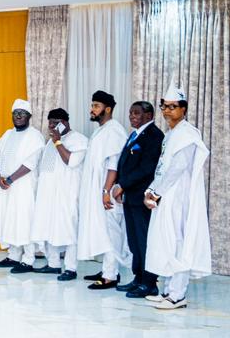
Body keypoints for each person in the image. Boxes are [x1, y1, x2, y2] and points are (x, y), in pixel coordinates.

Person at [142, 87, 211, 311]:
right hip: (166, 195)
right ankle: (168, 291)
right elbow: (162, 168)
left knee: (179, 242)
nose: (167, 111)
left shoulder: (188, 134)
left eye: (173, 107)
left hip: (178, 197)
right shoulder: (171, 134)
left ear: (184, 109)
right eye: (164, 106)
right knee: (166, 241)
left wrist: (157, 193)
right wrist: (151, 190)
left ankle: (177, 294)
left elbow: (179, 168)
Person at [78, 91, 131, 290]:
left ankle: (110, 276)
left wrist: (106, 191)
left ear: (107, 109)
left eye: (96, 106)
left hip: (107, 193)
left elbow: (113, 165)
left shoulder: (114, 131)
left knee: (110, 234)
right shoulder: (101, 130)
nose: (92, 109)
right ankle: (106, 270)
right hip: (99, 191)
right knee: (102, 230)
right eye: (92, 105)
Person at [112, 102, 164, 298]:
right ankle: (138, 278)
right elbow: (125, 163)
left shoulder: (154, 136)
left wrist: (122, 184)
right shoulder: (135, 134)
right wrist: (120, 185)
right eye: (130, 113)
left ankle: (149, 283)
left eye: (136, 113)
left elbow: (147, 168)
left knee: (144, 241)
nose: (132, 116)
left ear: (149, 115)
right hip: (130, 196)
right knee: (134, 241)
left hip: (142, 197)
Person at [29, 109, 88, 279]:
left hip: (67, 194)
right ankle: (53, 264)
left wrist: (58, 142)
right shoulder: (50, 141)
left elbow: (71, 161)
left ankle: (71, 268)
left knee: (69, 229)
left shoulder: (79, 139)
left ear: (65, 122)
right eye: (50, 123)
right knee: (49, 227)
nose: (52, 126)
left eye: (56, 122)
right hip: (47, 194)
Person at [0, 99, 45, 274]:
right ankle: (13, 256)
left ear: (29, 116)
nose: (18, 116)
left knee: (24, 219)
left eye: (22, 113)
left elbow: (30, 163)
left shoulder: (35, 136)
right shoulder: (8, 134)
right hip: (5, 185)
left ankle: (28, 259)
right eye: (15, 113)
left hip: (23, 185)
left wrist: (10, 179)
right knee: (9, 219)